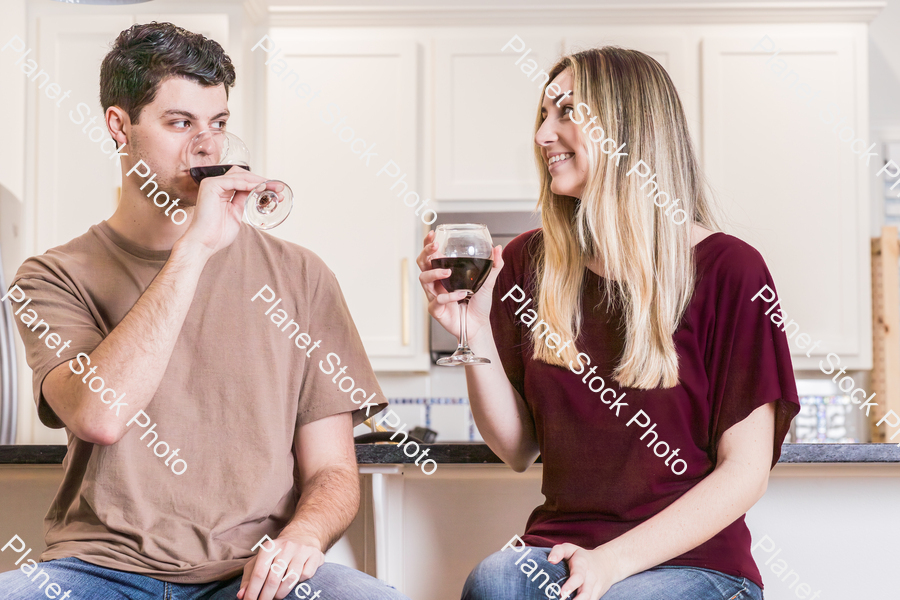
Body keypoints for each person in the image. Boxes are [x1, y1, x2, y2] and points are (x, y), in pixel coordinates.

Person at [0, 22, 407, 600]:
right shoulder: (51, 276)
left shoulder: (303, 276)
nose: (207, 146)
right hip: (97, 570)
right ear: (120, 126)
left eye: (217, 124)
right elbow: (100, 415)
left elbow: (333, 472)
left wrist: (306, 536)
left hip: (251, 571)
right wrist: (194, 247)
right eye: (179, 122)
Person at [418, 47, 800, 600]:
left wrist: (611, 563)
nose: (544, 135)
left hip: (694, 564)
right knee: (494, 581)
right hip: (561, 551)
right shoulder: (529, 262)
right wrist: (473, 331)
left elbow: (745, 473)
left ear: (629, 129)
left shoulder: (730, 269)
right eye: (542, 118)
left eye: (567, 112)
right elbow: (517, 448)